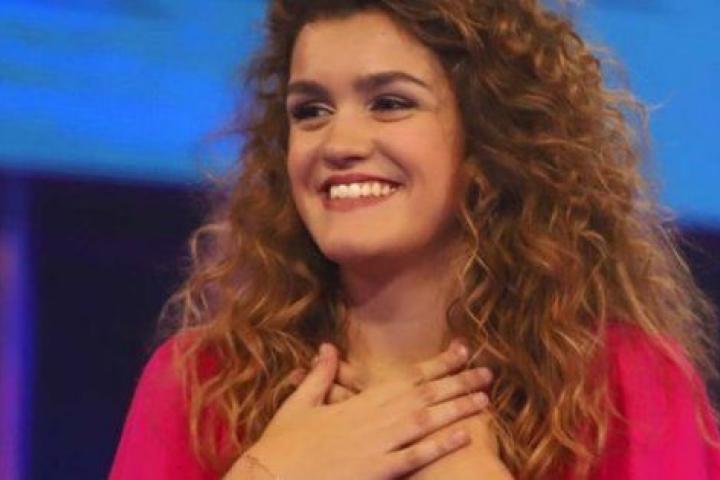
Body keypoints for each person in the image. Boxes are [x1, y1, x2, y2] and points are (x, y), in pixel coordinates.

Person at [109, 0, 720, 479]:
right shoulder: (199, 385)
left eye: (390, 103)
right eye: (311, 111)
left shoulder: (627, 385)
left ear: (486, 141)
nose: (339, 143)